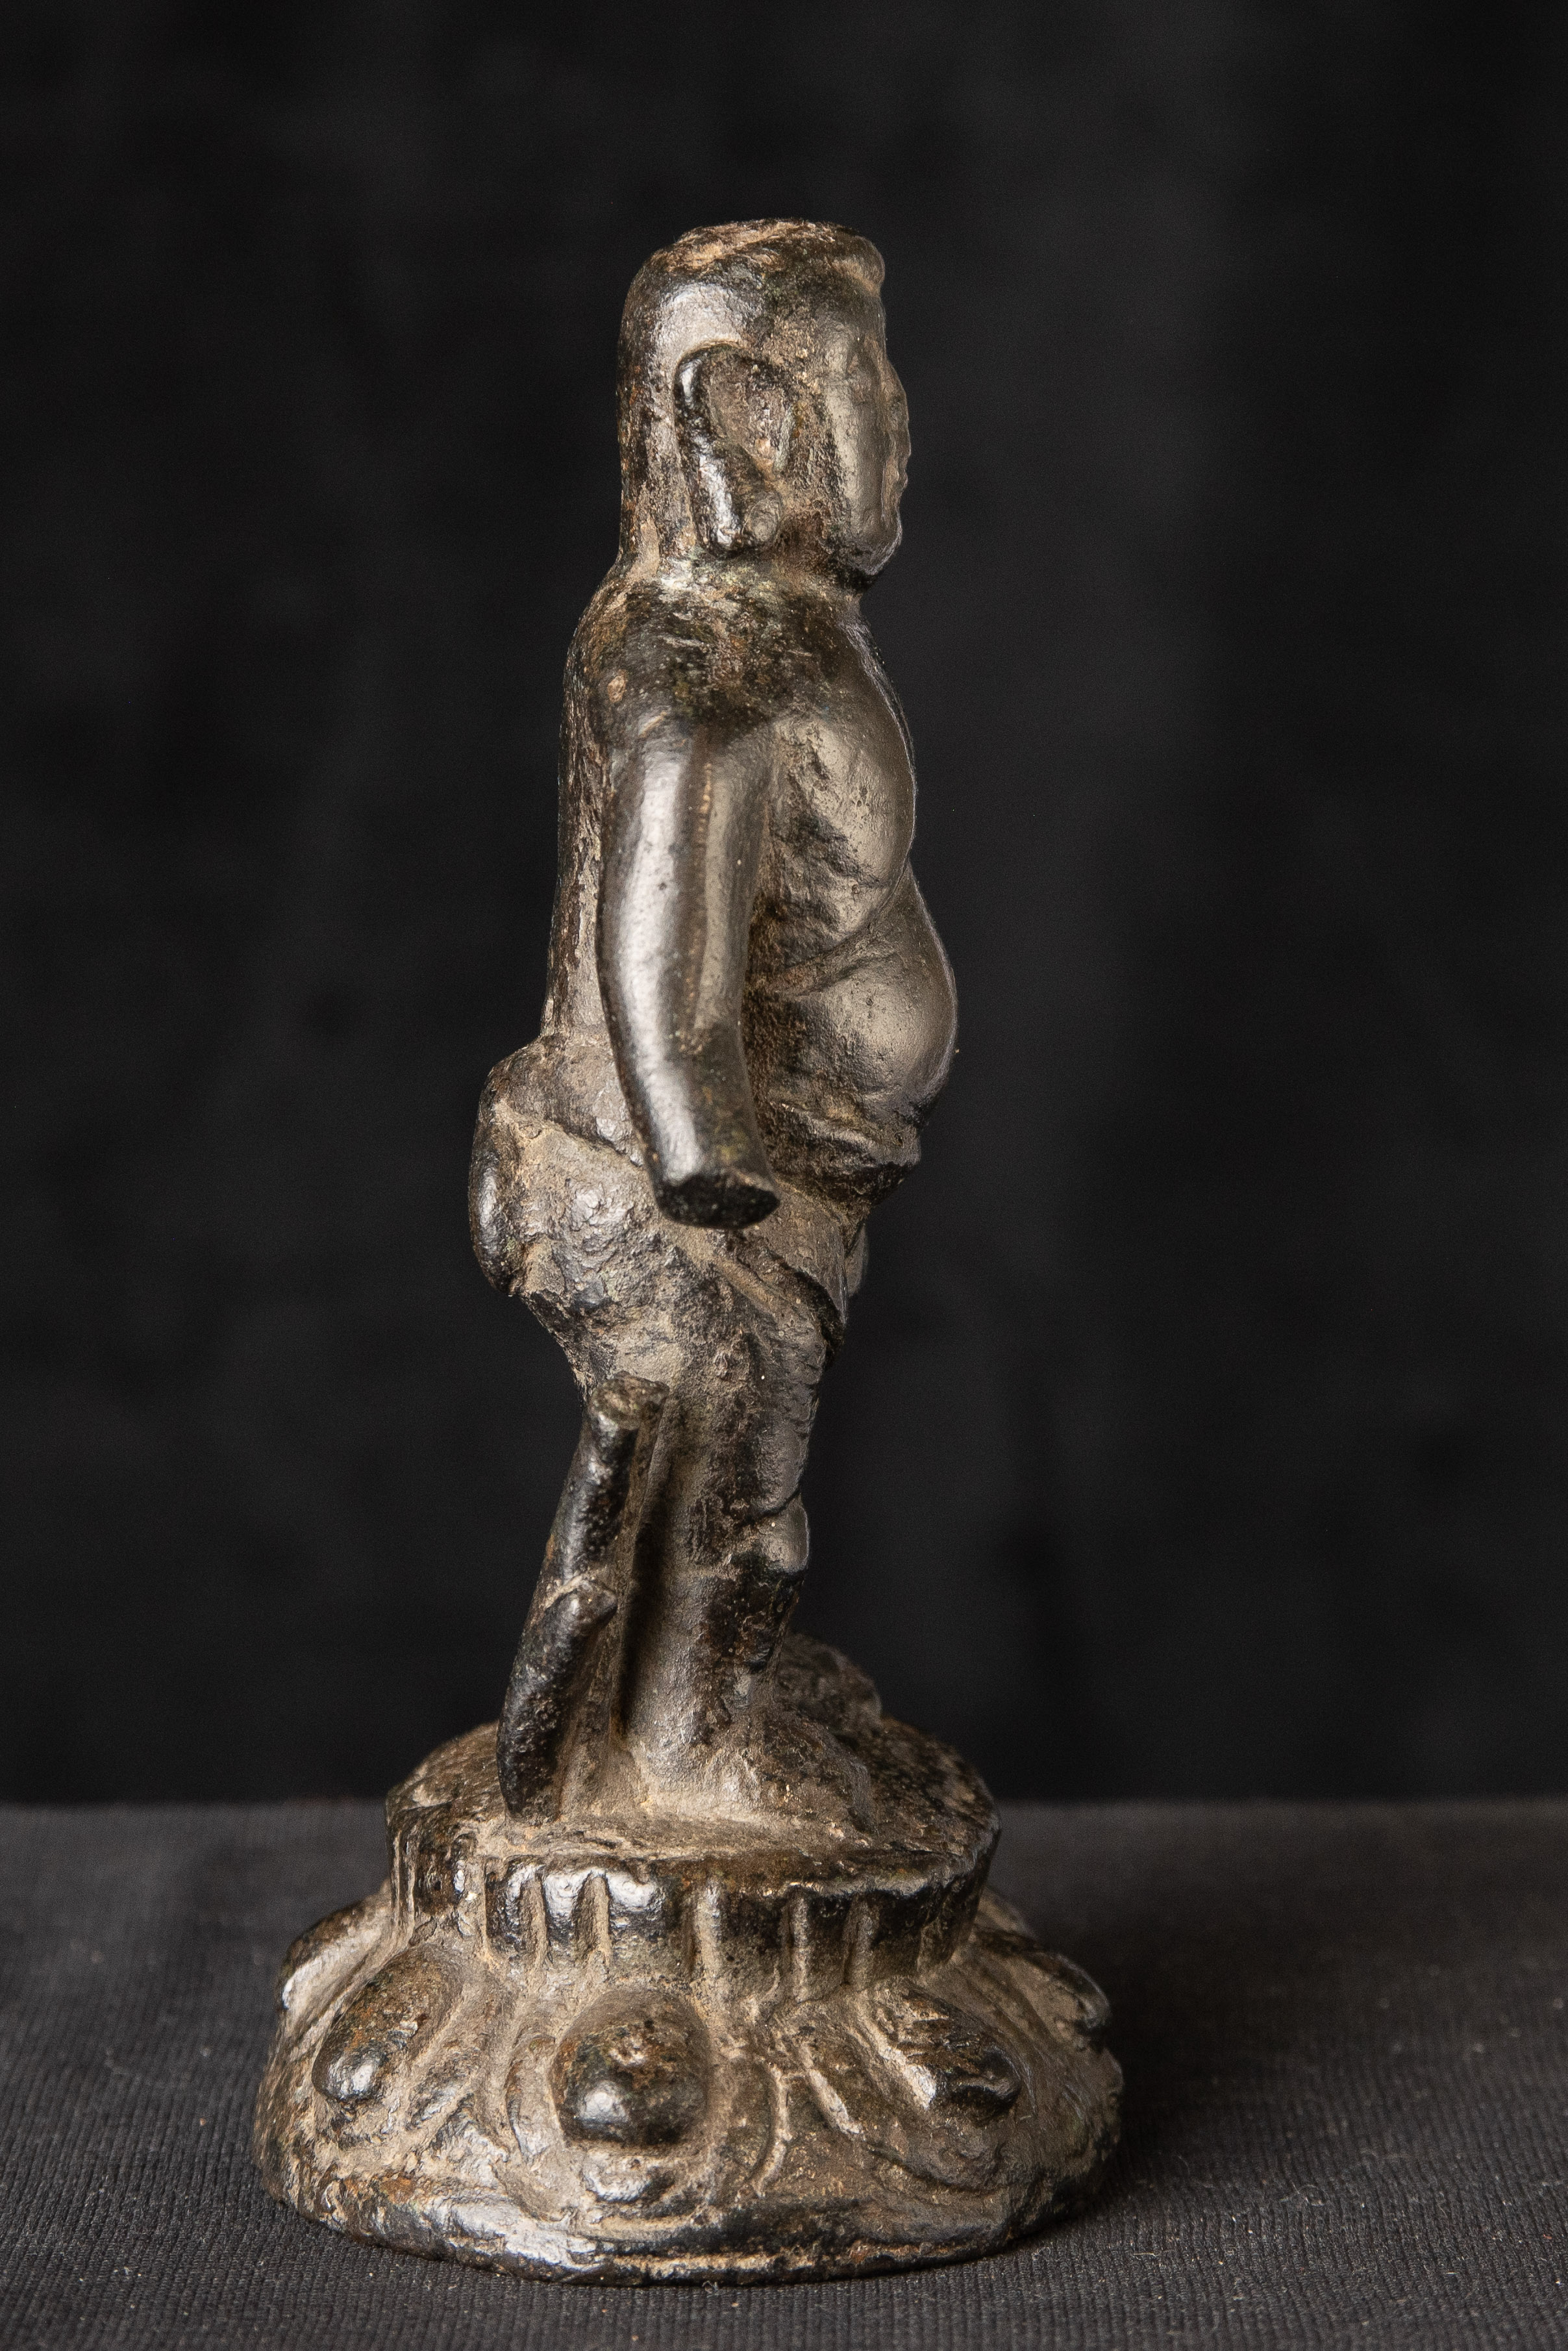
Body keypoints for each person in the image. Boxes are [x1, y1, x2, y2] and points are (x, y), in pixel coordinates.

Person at [471, 220, 956, 1823]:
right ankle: (685, 1744)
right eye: (864, 385)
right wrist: (701, 1146)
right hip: (681, 1208)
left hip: (791, 1183)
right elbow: (656, 928)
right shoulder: (703, 670)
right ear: (743, 417)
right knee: (729, 1475)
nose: (899, 424)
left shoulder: (779, 635)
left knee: (724, 1467)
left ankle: (678, 1709)